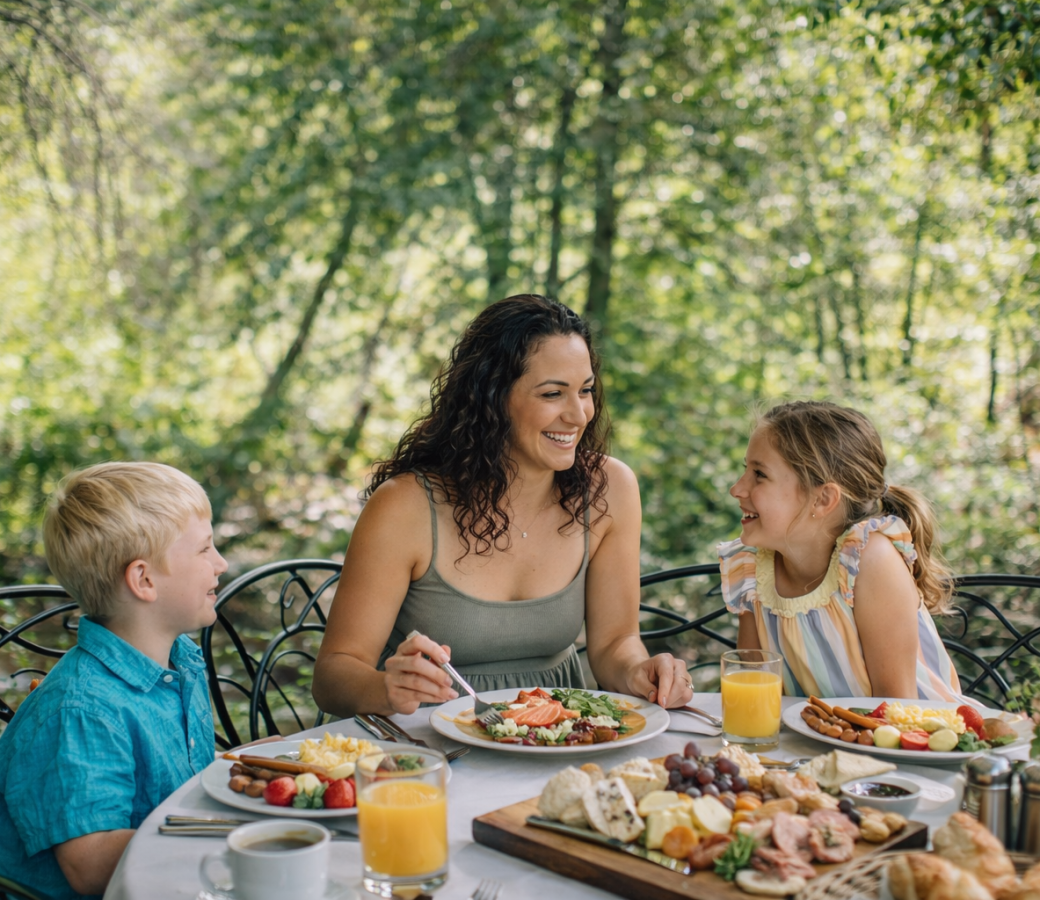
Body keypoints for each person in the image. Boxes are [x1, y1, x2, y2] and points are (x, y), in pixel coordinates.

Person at [313, 294, 692, 717]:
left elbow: (613, 644)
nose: (579, 414)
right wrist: (386, 688)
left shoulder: (610, 489)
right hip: (427, 751)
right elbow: (333, 676)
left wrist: (640, 670)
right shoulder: (406, 507)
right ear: (491, 397)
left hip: (559, 742)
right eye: (553, 394)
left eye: (585, 391)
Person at [0, 462, 228, 899]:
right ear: (144, 579)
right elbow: (91, 868)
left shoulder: (179, 659)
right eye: (205, 549)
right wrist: (227, 829)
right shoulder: (81, 710)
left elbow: (181, 775)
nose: (221, 563)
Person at [719, 400, 964, 700]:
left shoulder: (870, 562)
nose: (737, 488)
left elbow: (898, 709)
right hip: (817, 743)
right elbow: (754, 698)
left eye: (759, 474)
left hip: (920, 738)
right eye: (746, 469)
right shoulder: (751, 571)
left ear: (822, 500)